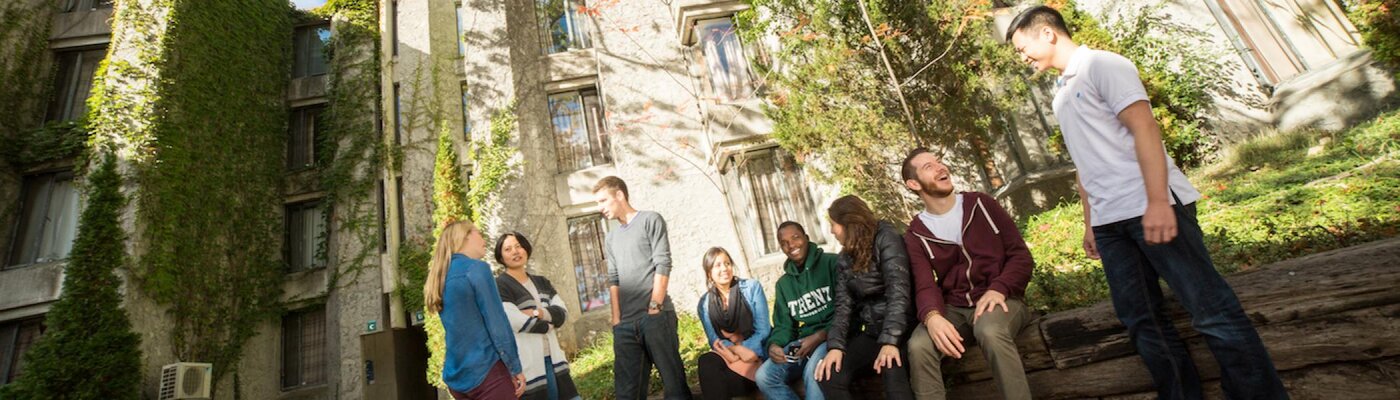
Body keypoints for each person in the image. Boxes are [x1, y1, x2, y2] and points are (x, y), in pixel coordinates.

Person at [1005, 6, 1288, 399]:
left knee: (1211, 312)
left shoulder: (1103, 66)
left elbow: (1145, 129)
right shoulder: (1061, 92)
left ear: (1048, 34)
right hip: (1111, 224)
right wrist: (1090, 222)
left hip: (1149, 206)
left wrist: (1158, 202)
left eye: (1023, 48)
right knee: (1142, 321)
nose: (1023, 58)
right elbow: (1084, 164)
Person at [899, 148, 1034, 400]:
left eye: (939, 161)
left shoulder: (982, 204)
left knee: (989, 331)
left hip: (1002, 298)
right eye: (929, 166)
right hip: (956, 306)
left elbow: (1021, 256)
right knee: (918, 346)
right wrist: (932, 316)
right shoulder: (916, 233)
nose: (940, 167)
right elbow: (925, 285)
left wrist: (1000, 287)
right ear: (913, 183)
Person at [594, 176, 693, 400]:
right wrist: (616, 320)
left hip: (656, 318)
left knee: (674, 386)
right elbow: (614, 278)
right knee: (627, 393)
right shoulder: (611, 238)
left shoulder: (651, 220)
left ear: (619, 195)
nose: (600, 208)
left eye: (603, 201)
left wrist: (655, 306)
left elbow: (663, 263)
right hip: (625, 326)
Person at [813, 195, 915, 400]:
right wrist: (835, 347)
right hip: (872, 332)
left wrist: (890, 341)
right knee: (830, 375)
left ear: (848, 224)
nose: (832, 231)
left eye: (834, 224)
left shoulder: (886, 238)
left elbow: (899, 293)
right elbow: (843, 306)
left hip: (903, 328)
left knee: (892, 374)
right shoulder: (844, 258)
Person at [424, 220, 526, 400]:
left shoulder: (440, 277)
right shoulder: (476, 269)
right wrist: (515, 367)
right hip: (487, 372)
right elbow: (497, 322)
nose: (483, 238)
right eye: (478, 233)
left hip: (457, 378)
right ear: (465, 237)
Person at [756, 221, 839, 400]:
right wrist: (775, 344)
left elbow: (849, 311)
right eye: (784, 243)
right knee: (764, 377)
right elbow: (784, 325)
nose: (791, 245)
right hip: (802, 343)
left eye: (795, 238)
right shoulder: (784, 285)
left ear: (806, 238)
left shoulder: (832, 263)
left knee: (813, 372)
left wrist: (819, 336)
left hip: (832, 336)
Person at [494, 232, 581, 400]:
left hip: (554, 359)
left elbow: (562, 313)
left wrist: (537, 313)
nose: (515, 252)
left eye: (518, 246)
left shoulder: (541, 282)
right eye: (508, 249)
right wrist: (548, 324)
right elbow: (514, 320)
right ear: (501, 256)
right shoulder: (500, 285)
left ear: (526, 249)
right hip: (529, 363)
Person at [696, 247, 771, 400]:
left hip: (757, 352)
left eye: (727, 263)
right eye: (718, 265)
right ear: (709, 273)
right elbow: (714, 339)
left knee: (720, 384)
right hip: (730, 355)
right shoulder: (704, 303)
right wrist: (735, 351)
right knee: (706, 361)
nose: (724, 269)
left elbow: (763, 330)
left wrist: (744, 349)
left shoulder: (751, 288)